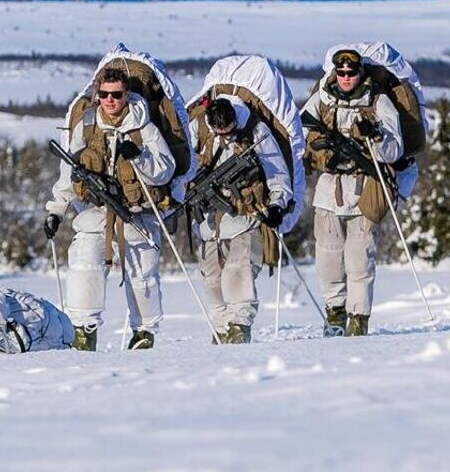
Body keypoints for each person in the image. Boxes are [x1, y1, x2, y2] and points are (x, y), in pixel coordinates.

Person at [44, 67, 177, 351]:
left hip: (138, 211)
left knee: (143, 277)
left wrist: (140, 158)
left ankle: (144, 334)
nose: (110, 100)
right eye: (104, 94)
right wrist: (56, 210)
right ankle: (83, 331)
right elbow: (70, 170)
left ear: (126, 95)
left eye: (116, 94)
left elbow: (166, 170)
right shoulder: (88, 125)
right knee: (83, 263)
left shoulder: (144, 127)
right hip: (98, 210)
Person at [301, 48, 403, 336]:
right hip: (329, 189)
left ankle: (358, 320)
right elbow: (301, 132)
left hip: (365, 187)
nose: (346, 78)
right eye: (341, 73)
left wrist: (376, 136)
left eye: (351, 73)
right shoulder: (322, 99)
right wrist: (322, 152)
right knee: (328, 257)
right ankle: (334, 315)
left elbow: (396, 148)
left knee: (359, 257)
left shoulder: (377, 100)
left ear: (360, 73)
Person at [188, 95, 292, 343]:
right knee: (212, 279)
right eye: (219, 132)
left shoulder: (255, 132)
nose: (224, 136)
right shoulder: (198, 129)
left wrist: (277, 205)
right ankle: (222, 329)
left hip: (246, 217)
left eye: (228, 131)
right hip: (209, 224)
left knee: (239, 271)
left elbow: (277, 172)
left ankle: (239, 326)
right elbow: (184, 165)